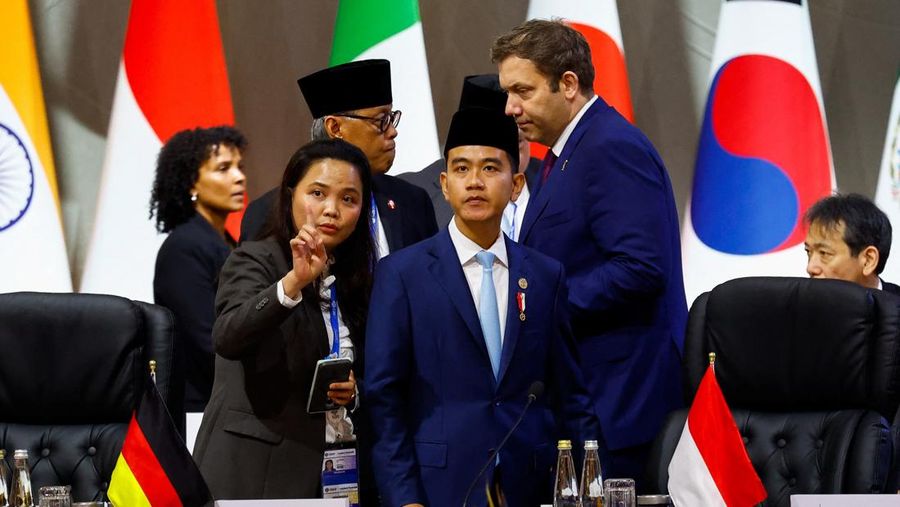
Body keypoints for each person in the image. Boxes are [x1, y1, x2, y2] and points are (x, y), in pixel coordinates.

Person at [365, 106, 599, 507]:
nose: (474, 182)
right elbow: (384, 401)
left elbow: (570, 394)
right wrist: (404, 498)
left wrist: (590, 484)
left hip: (530, 484)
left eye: (490, 168)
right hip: (437, 488)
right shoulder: (402, 274)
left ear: (516, 184)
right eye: (461, 169)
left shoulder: (545, 276)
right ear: (444, 184)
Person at [492, 19, 688, 485]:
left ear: (568, 84)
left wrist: (540, 305)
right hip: (589, 400)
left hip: (621, 405)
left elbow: (640, 268)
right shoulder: (571, 150)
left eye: (522, 91)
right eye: (507, 93)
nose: (510, 108)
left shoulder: (610, 147)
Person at [193, 139, 376, 499]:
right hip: (255, 473)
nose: (332, 210)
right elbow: (228, 336)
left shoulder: (359, 278)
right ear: (291, 195)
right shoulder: (255, 259)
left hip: (335, 470)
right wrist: (293, 282)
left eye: (348, 199)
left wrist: (355, 391)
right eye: (318, 193)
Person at [240, 59, 437, 255]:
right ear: (335, 128)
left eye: (392, 118)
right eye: (381, 120)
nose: (393, 131)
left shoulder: (411, 201)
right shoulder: (269, 212)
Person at [150, 126, 247, 416]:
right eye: (223, 168)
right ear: (192, 183)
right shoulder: (183, 248)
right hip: (199, 411)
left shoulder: (227, 242)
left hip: (228, 403)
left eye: (240, 167)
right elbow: (208, 342)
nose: (239, 177)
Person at [400, 74, 541, 232]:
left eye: (518, 142)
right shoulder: (409, 194)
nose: (475, 181)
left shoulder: (554, 179)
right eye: (463, 168)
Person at [804, 193, 899, 294]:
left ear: (868, 260)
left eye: (824, 253)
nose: (810, 268)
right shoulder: (798, 301)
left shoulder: (895, 302)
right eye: (809, 252)